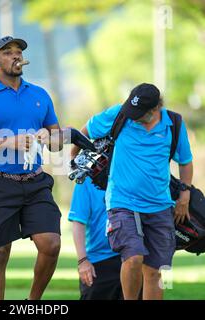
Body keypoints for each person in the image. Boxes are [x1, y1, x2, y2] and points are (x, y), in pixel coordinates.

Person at [0, 36, 64, 300]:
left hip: (35, 181)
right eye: (8, 53)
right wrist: (9, 142)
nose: (16, 56)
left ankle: (32, 302)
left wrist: (48, 138)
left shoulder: (40, 94)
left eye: (18, 52)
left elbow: (58, 140)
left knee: (51, 244)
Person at [75, 83, 193, 300]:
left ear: (155, 108)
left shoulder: (174, 123)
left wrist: (184, 195)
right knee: (133, 257)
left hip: (160, 206)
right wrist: (72, 160)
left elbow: (185, 161)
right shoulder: (119, 115)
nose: (134, 116)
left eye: (139, 113)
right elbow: (84, 132)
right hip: (122, 202)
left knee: (156, 271)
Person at [69, 177, 123, 300]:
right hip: (99, 262)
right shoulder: (86, 180)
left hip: (131, 257)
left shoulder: (130, 174)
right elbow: (78, 223)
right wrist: (82, 261)